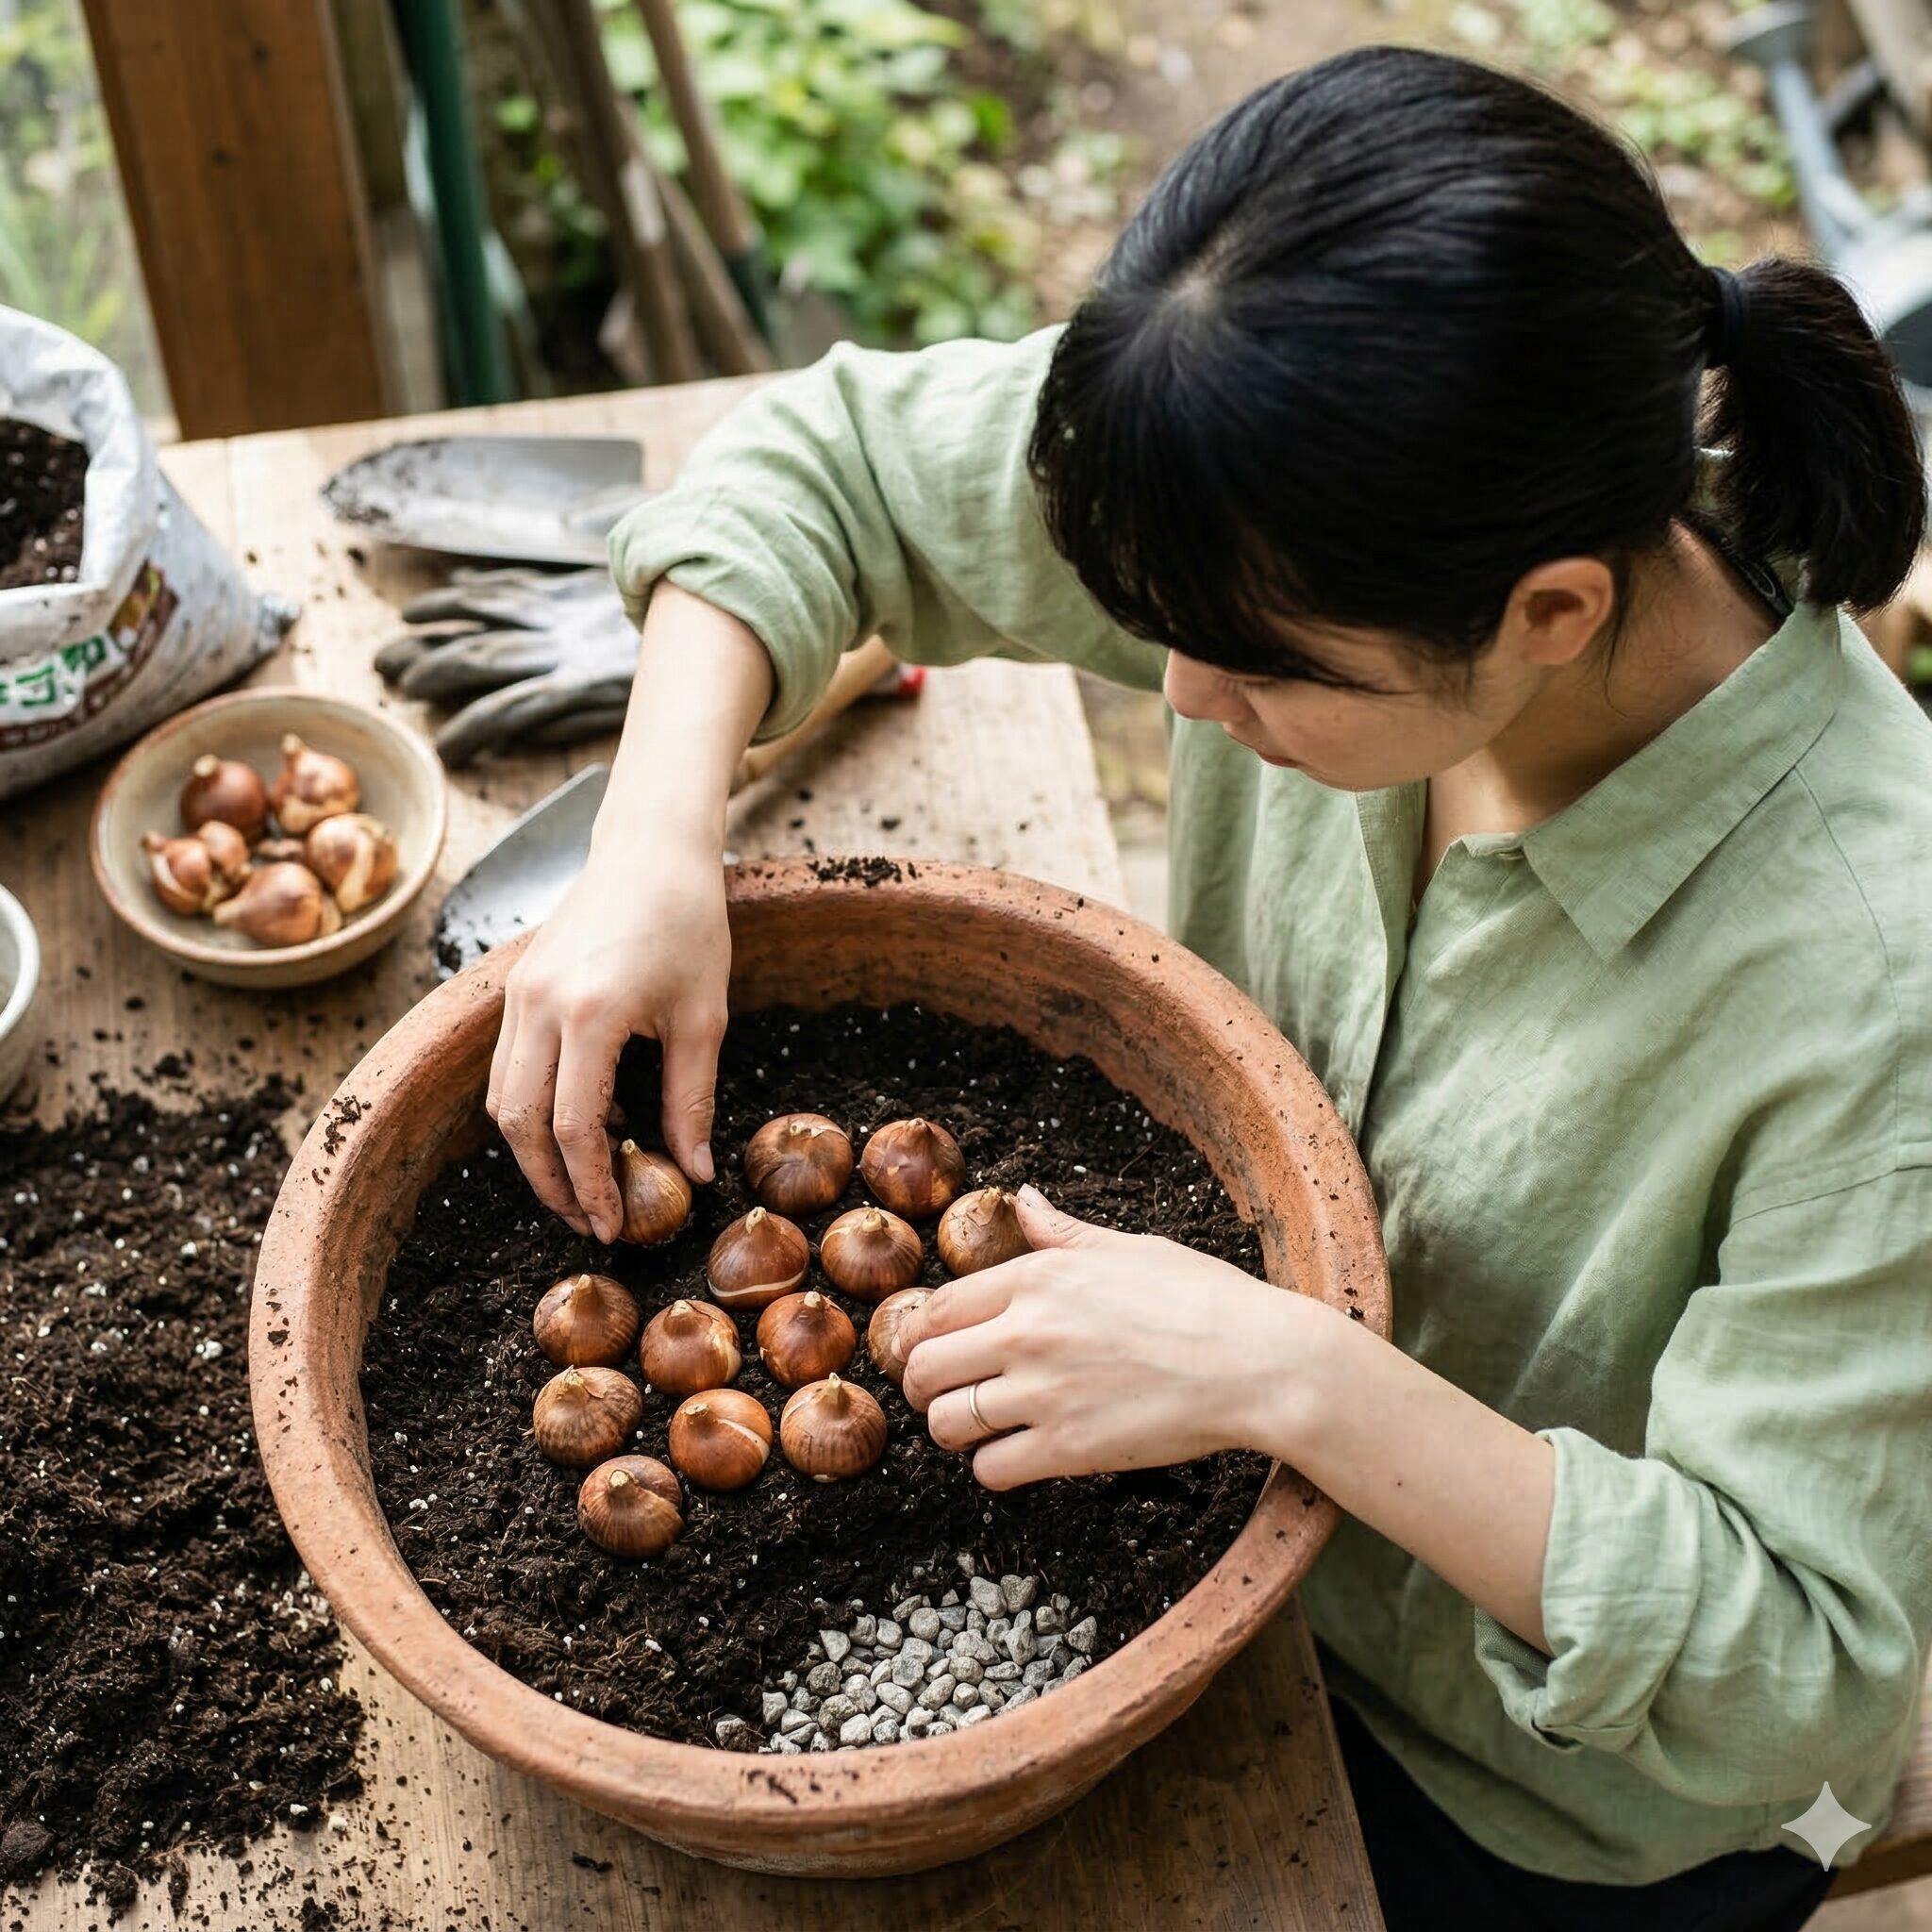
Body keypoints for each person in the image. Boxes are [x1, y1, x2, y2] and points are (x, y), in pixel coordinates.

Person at [486, 44, 1932, 1928]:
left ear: (1550, 610)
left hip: (1510, 1782)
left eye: (1248, 671)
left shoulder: (1873, 985)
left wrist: (1295, 1375)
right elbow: (829, 456)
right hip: (1176, 1521)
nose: (1179, 702)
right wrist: (655, 838)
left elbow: (1792, 1676)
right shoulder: (1286, 500)